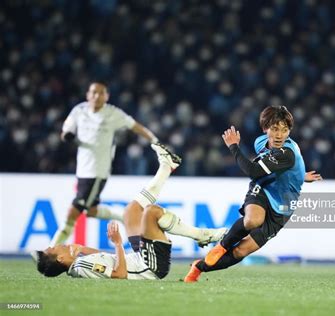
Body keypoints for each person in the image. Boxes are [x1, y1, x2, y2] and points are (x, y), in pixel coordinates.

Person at [34, 144, 227, 279]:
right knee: (151, 212)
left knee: (131, 211)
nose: (57, 245)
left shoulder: (79, 261)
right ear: (60, 258)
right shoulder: (81, 266)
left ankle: (167, 165)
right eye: (53, 248)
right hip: (149, 266)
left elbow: (107, 259)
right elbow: (119, 275)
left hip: (138, 257)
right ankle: (203, 235)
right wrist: (118, 243)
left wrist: (83, 249)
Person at [184, 105, 317, 283]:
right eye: (275, 129)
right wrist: (298, 175)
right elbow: (255, 172)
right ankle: (221, 246)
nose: (279, 135)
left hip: (284, 206)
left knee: (241, 251)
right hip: (264, 187)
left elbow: (273, 166)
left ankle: (198, 267)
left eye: (285, 130)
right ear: (265, 129)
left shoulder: (287, 153)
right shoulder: (260, 142)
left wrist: (233, 147)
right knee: (252, 220)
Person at [50, 82, 162, 246]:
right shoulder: (78, 111)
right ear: (88, 94)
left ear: (107, 96)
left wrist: (156, 142)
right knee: (92, 211)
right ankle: (123, 216)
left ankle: (50, 251)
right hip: (82, 170)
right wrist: (67, 135)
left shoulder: (113, 113)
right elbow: (65, 132)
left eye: (101, 93)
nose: (97, 96)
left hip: (98, 172)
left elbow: (136, 127)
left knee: (72, 213)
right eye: (94, 92)